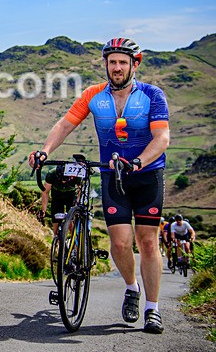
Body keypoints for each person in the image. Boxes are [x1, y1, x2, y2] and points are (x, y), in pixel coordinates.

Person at [28, 37, 170, 334]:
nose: (117, 67)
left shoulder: (152, 95)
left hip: (147, 175)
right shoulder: (95, 95)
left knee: (146, 241)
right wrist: (45, 151)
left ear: (135, 63)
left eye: (122, 62)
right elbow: (66, 124)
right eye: (112, 62)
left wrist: (139, 162)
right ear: (105, 64)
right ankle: (132, 289)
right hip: (111, 175)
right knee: (119, 242)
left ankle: (152, 309)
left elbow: (161, 139)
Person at [39, 164, 81, 236]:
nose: (63, 182)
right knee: (55, 222)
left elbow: (81, 190)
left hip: (71, 197)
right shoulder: (51, 174)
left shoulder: (76, 175)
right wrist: (44, 210)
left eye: (65, 180)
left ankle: (74, 244)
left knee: (71, 222)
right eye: (61, 179)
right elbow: (45, 192)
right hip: (57, 196)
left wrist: (77, 203)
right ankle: (57, 241)